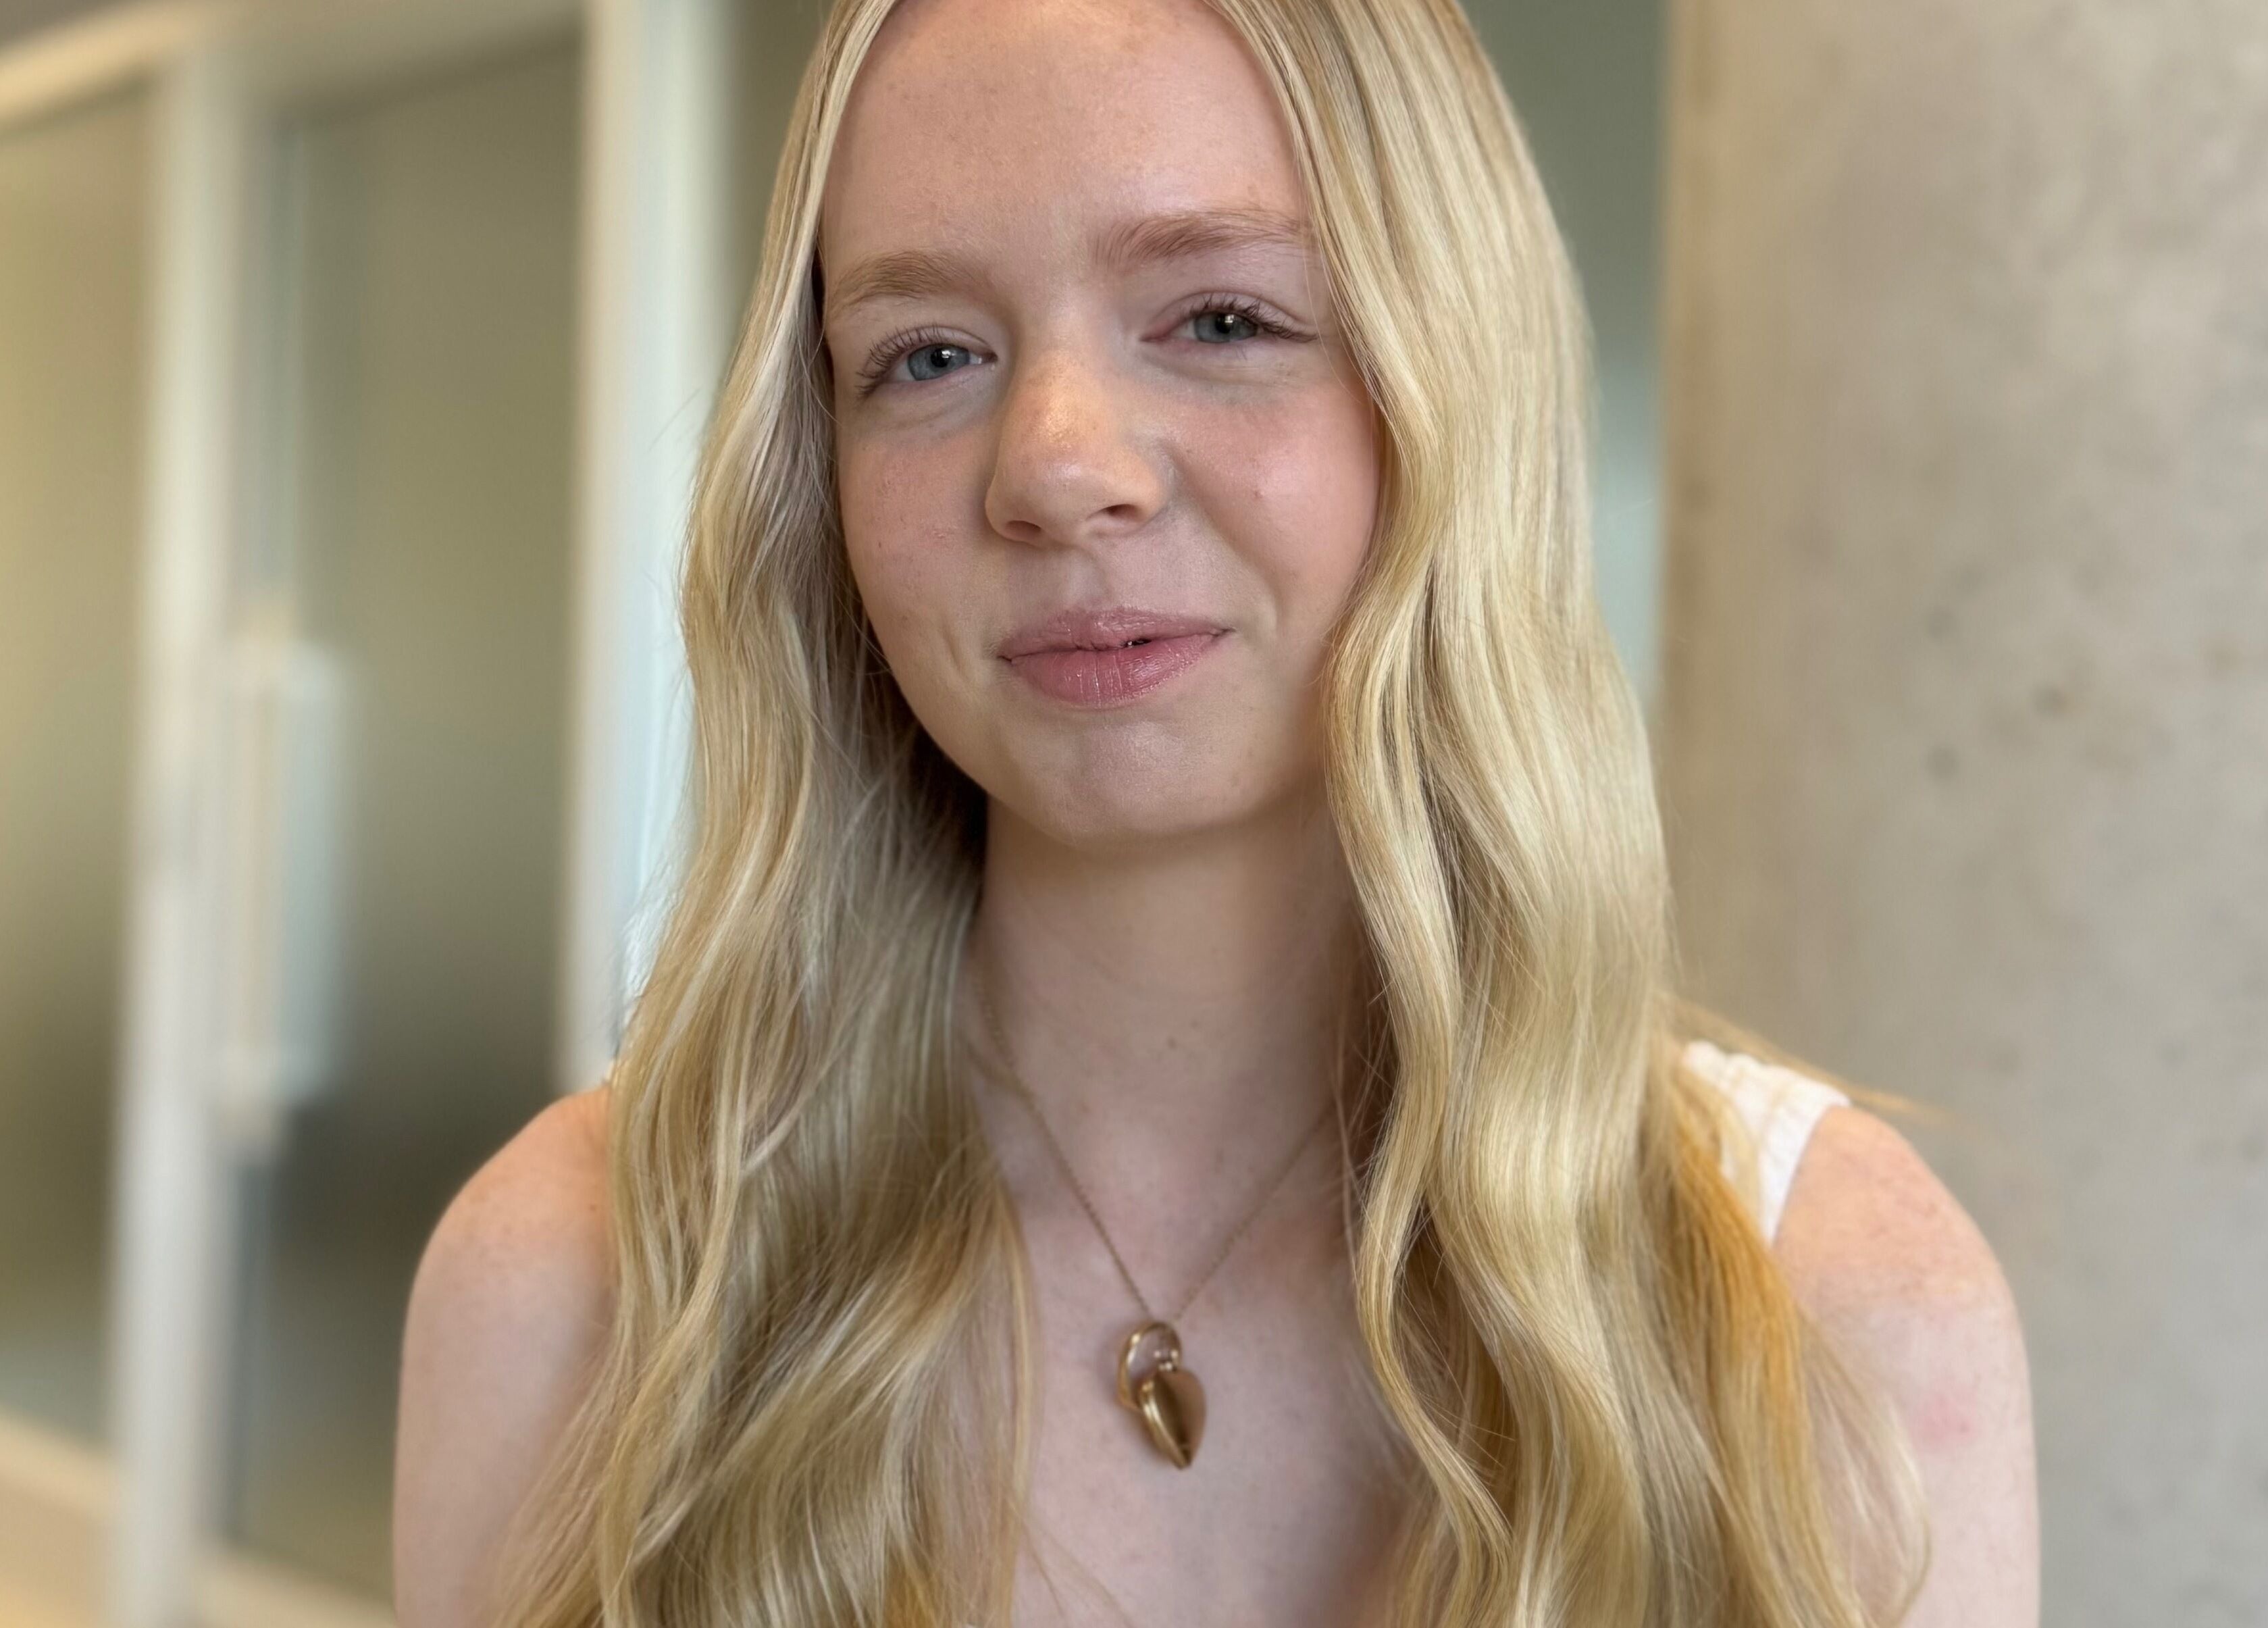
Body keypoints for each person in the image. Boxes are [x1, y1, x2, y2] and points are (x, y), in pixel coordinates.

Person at [392, 0, 2038, 1623]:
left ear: (1452, 382)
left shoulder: (1832, 1302)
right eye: (928, 354)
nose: (1053, 465)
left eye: (1222, 320)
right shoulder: (577, 1286)